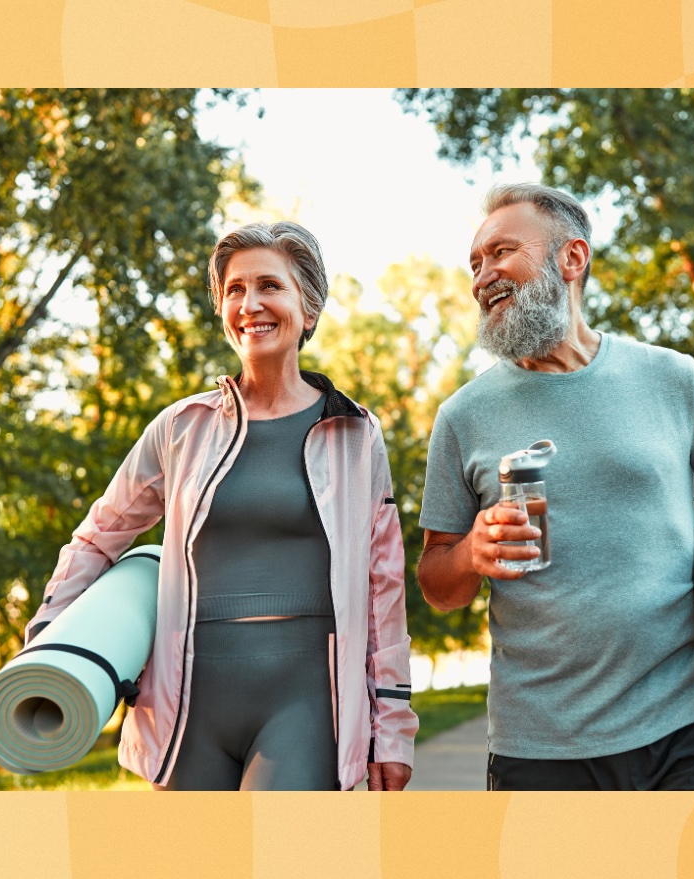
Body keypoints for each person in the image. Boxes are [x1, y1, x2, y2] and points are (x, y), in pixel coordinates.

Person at [417, 183, 694, 791]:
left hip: (689, 728)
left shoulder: (673, 378)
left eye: (501, 252)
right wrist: (472, 552)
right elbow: (436, 584)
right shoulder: (462, 417)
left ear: (572, 258)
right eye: (475, 264)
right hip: (541, 744)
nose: (482, 277)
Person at [25, 221, 417, 791]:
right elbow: (99, 535)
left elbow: (384, 588)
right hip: (188, 706)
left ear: (308, 309)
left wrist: (394, 726)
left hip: (306, 703)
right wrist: (48, 640)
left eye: (269, 286)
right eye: (234, 289)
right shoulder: (181, 428)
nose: (249, 303)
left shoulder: (355, 435)